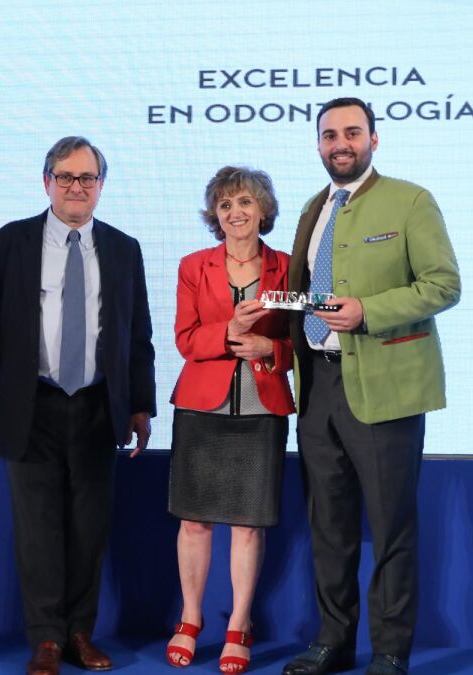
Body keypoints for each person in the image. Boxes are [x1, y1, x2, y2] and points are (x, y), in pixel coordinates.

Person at [0, 136, 156, 675]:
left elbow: (137, 334)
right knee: (38, 529)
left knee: (89, 529)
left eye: (87, 178)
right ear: (46, 182)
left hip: (98, 406)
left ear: (100, 186)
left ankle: (79, 633)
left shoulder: (124, 249)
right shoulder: (7, 244)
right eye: (65, 177)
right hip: (29, 405)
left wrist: (141, 403)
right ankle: (45, 638)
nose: (76, 187)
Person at [281, 97, 460, 675]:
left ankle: (389, 651)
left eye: (352, 132)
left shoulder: (411, 200)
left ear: (374, 139)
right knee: (328, 527)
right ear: (318, 144)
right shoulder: (313, 208)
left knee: (390, 528)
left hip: (385, 388)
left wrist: (369, 311)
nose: (341, 143)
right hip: (317, 387)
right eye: (330, 134)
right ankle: (333, 642)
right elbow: (309, 294)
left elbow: (443, 285)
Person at [164, 166, 295, 675]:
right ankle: (191, 617)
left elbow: (306, 342)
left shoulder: (288, 268)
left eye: (244, 202)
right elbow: (185, 339)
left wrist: (270, 349)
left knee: (247, 524)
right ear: (214, 216)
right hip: (202, 407)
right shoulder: (193, 265)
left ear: (263, 210)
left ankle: (239, 623)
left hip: (262, 408)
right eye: (225, 205)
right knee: (194, 521)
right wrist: (229, 331)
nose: (235, 213)